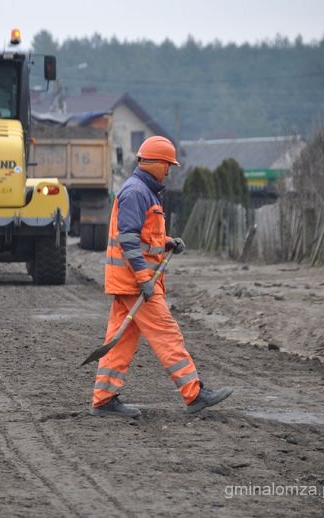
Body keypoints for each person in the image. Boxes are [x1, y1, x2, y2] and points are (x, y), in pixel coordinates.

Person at [90, 136, 233, 418]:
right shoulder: (136, 192)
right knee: (168, 335)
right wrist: (144, 279)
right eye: (167, 165)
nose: (169, 170)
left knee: (120, 342)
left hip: (130, 282)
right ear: (154, 163)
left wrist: (167, 241)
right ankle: (194, 393)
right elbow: (128, 239)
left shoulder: (145, 191)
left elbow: (144, 236)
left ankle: (103, 399)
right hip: (136, 283)